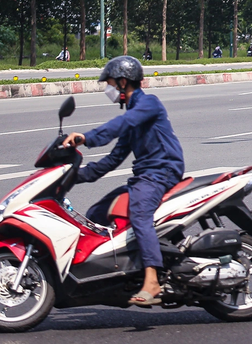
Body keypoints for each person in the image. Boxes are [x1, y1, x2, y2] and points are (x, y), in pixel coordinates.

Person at [62, 56, 185, 307]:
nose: (107, 89)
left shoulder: (148, 104)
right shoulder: (134, 115)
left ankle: (152, 279)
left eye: (109, 83)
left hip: (162, 171)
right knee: (98, 212)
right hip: (145, 176)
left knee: (139, 213)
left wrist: (86, 138)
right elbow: (113, 159)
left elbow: (121, 124)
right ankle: (119, 272)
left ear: (122, 81)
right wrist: (71, 176)